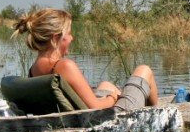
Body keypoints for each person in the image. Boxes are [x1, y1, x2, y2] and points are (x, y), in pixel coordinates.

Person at [14, 8, 159, 111]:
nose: (72, 38)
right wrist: (112, 98)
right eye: (69, 34)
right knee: (144, 70)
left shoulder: (34, 69)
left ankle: (132, 99)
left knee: (106, 84)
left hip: (84, 115)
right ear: (56, 38)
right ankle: (155, 113)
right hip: (115, 117)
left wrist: (108, 93)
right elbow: (94, 107)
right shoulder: (64, 66)